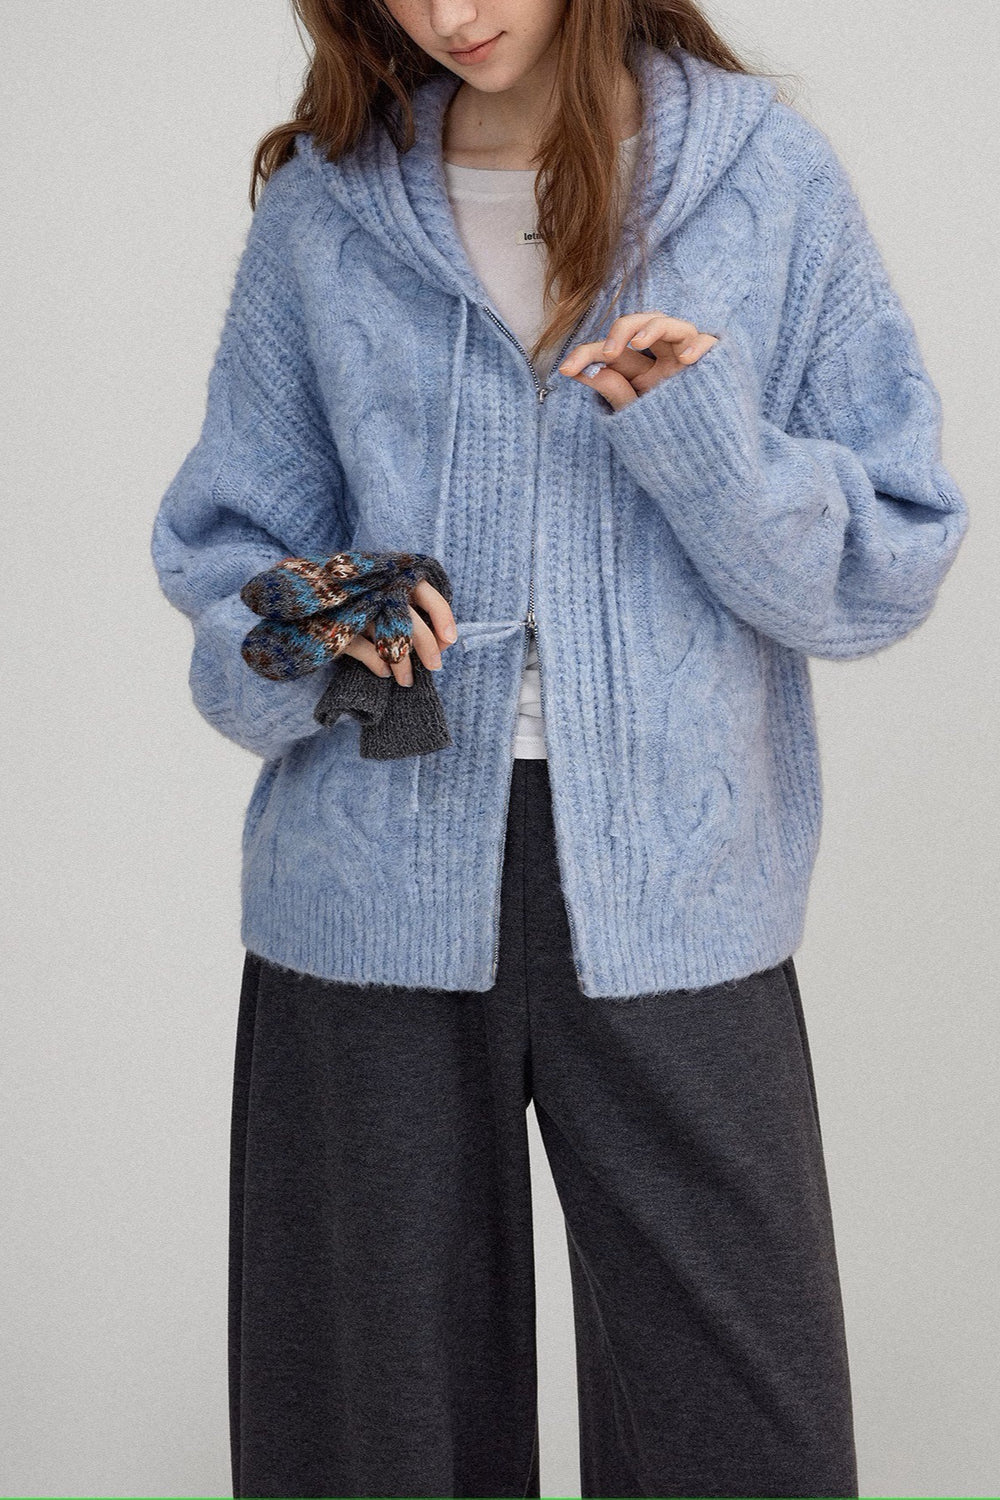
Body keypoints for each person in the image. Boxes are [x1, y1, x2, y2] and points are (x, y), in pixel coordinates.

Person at [150, 1, 969, 1496]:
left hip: (680, 895)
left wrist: (712, 447)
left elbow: (888, 560)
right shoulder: (326, 209)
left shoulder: (766, 180)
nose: (451, 14)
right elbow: (225, 565)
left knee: (745, 1438)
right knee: (367, 1443)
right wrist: (318, 617)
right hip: (365, 902)